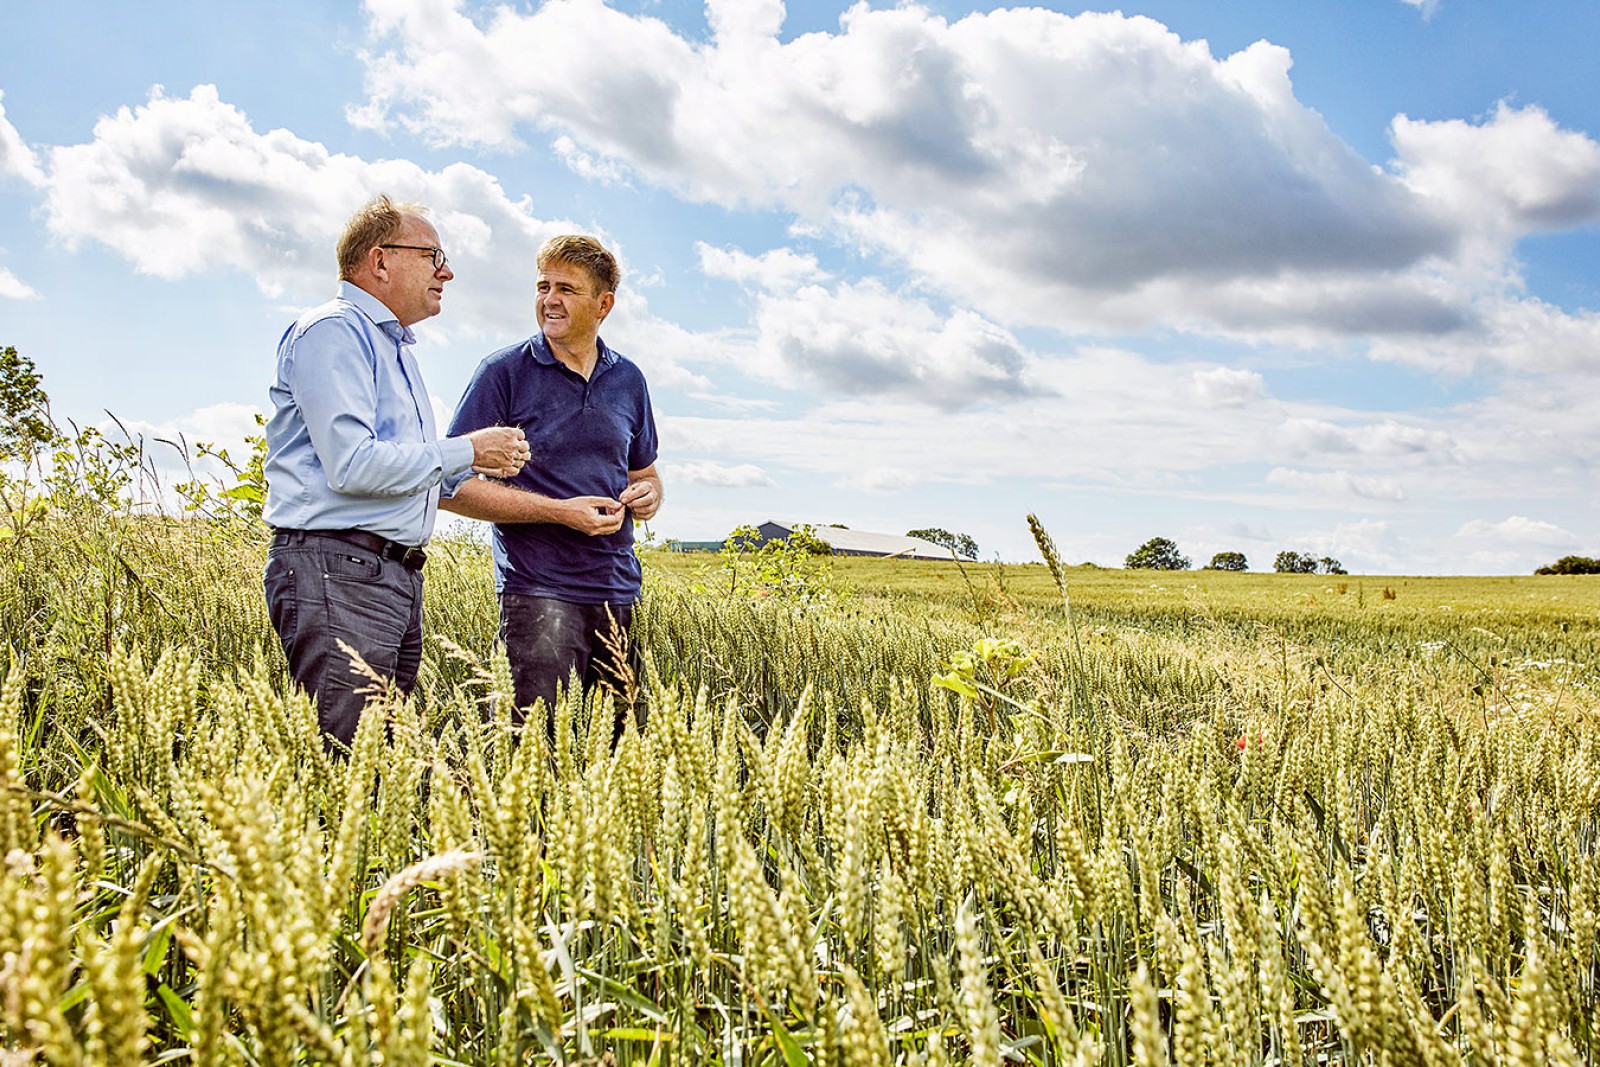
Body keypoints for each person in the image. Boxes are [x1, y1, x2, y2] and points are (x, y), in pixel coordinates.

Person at [263, 194, 531, 748]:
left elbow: (410, 473)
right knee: (348, 761)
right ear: (379, 261)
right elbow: (353, 465)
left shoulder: (395, 350)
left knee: (378, 761)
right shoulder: (334, 332)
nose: (447, 271)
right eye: (433, 255)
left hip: (385, 576)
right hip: (340, 569)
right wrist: (467, 450)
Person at [442, 234, 661, 739]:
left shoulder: (628, 379)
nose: (549, 299)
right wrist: (560, 511)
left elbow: (644, 474)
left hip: (617, 591)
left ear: (604, 304)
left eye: (567, 288)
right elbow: (449, 486)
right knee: (533, 756)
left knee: (621, 758)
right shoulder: (503, 373)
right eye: (543, 286)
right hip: (538, 592)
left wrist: (649, 497)